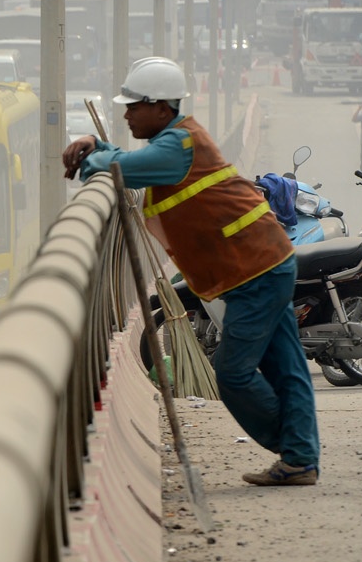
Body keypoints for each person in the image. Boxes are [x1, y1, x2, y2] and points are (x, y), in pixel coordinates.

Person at [65, 57, 319, 487]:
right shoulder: (178, 139)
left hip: (252, 269)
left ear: (161, 108)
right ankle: (299, 457)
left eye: (133, 107)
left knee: (234, 374)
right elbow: (126, 159)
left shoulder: (176, 148)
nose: (126, 114)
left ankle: (292, 448)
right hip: (261, 261)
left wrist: (92, 158)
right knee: (286, 366)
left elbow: (118, 169)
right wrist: (94, 140)